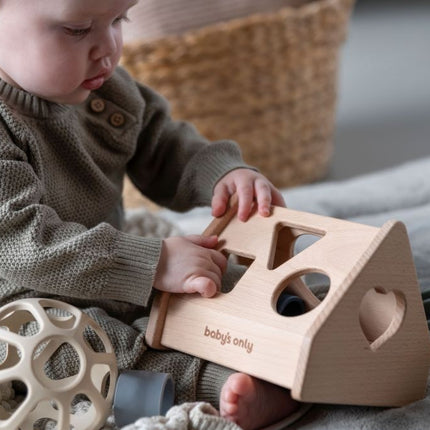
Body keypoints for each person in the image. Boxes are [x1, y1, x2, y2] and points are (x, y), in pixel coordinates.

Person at [0, 0, 299, 428]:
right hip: (21, 301)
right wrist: (152, 262)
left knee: (217, 272)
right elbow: (24, 246)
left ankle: (290, 317)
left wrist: (222, 175)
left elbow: (164, 147)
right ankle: (212, 384)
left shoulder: (105, 92)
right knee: (76, 354)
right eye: (77, 29)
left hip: (113, 269)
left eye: (119, 19)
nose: (108, 48)